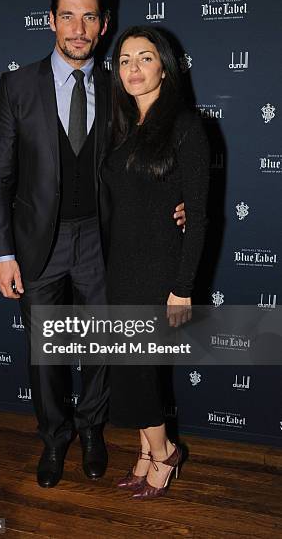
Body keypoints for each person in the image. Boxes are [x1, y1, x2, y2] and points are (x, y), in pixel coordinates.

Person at [0, 0, 186, 489]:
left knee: (101, 346)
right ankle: (55, 438)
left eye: (89, 17)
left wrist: (176, 201)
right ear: (51, 20)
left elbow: (150, 150)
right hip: (36, 245)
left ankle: (92, 430)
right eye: (68, 16)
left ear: (103, 23)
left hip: (102, 240)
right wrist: (3, 254)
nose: (78, 28)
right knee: (46, 351)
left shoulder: (117, 83)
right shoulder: (17, 85)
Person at [101, 26, 209, 499]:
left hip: (160, 269)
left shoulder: (186, 127)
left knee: (141, 369)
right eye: (124, 60)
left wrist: (182, 287)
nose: (133, 69)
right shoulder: (121, 126)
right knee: (127, 368)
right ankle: (144, 453)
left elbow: (201, 216)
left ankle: (165, 455)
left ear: (164, 65)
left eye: (144, 58)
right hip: (119, 266)